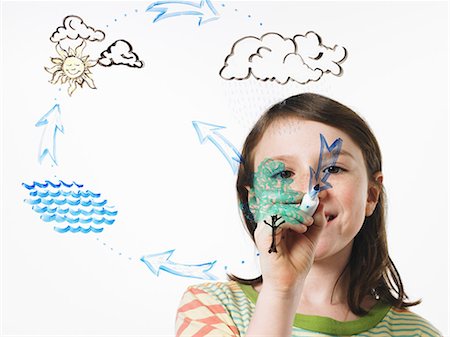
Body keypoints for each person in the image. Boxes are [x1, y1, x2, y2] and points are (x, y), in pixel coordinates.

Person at [175, 93, 441, 336]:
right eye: (283, 174)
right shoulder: (209, 307)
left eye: (334, 169)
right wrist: (281, 290)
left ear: (371, 195)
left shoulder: (416, 333)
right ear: (254, 201)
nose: (311, 190)